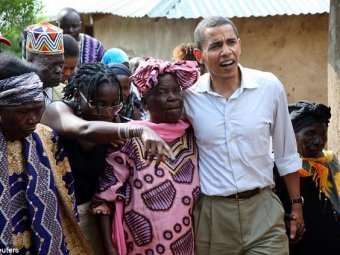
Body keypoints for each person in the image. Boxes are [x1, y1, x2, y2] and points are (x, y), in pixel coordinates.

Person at [183, 16, 304, 255]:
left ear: (240, 44)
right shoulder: (189, 97)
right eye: (216, 46)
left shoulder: (269, 87)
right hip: (213, 218)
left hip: (264, 212)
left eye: (231, 42)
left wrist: (296, 206)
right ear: (200, 55)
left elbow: (286, 154)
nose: (226, 51)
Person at [40, 62, 173, 254]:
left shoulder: (113, 124)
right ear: (78, 96)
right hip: (56, 216)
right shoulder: (58, 111)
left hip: (89, 218)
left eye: (114, 105)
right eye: (99, 104)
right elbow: (83, 129)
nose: (108, 113)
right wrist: (137, 130)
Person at [91, 58, 201, 255]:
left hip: (185, 244)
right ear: (144, 101)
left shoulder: (193, 135)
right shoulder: (130, 138)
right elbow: (104, 197)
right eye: (162, 92)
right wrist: (109, 248)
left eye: (176, 91)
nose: (173, 98)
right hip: (139, 245)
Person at [0, 52, 89, 254]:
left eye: (37, 109)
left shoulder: (47, 138)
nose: (33, 119)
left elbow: (67, 196)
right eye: (23, 112)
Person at [276, 100, 340, 255]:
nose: (318, 141)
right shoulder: (278, 169)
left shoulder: (330, 162)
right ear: (292, 136)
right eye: (310, 134)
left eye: (323, 133)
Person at [25, 21, 64, 105]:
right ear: (30, 63)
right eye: (51, 65)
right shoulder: (14, 96)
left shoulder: (66, 95)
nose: (59, 70)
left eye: (61, 64)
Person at [53, 34, 80, 100]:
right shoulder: (46, 89)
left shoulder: (76, 84)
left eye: (72, 68)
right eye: (64, 68)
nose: (68, 73)